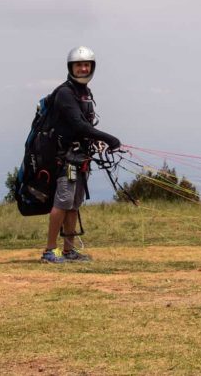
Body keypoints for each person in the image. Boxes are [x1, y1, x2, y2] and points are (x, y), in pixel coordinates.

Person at [41, 46, 122, 264]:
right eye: (79, 65)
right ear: (71, 68)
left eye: (87, 65)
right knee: (62, 202)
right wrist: (109, 138)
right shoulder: (66, 93)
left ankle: (69, 250)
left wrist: (97, 142)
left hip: (79, 157)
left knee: (74, 204)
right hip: (64, 158)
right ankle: (50, 251)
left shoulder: (84, 92)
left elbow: (83, 127)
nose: (83, 69)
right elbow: (78, 124)